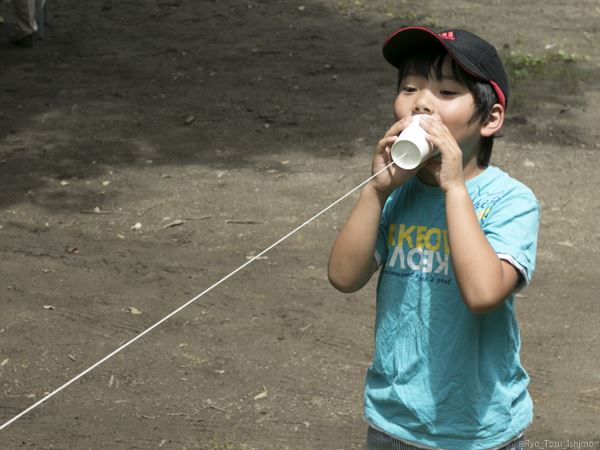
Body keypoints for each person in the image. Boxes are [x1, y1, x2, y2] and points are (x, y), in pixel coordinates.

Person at [328, 26, 540, 450]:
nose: (421, 101)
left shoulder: (511, 201)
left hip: (480, 430)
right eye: (410, 87)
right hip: (394, 422)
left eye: (445, 91)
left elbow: (483, 292)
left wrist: (454, 188)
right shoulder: (396, 193)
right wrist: (375, 190)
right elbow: (344, 276)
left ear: (491, 119)